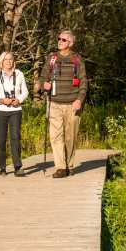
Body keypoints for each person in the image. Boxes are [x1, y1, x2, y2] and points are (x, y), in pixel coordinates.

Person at [39, 29, 86, 178]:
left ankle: (69, 164)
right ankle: (60, 167)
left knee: (70, 137)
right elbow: (42, 77)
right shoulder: (52, 58)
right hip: (54, 103)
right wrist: (43, 84)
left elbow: (84, 82)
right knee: (55, 136)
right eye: (59, 38)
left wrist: (79, 99)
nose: (60, 41)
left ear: (70, 43)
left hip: (73, 103)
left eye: (64, 40)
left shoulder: (77, 59)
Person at [0, 51, 28, 176]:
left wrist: (18, 100)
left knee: (15, 137)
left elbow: (25, 92)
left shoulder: (19, 74)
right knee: (1, 139)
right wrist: (1, 100)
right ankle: (2, 167)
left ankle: (17, 166)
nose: (8, 62)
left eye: (10, 59)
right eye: (6, 60)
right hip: (0, 110)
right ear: (1, 62)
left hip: (15, 110)